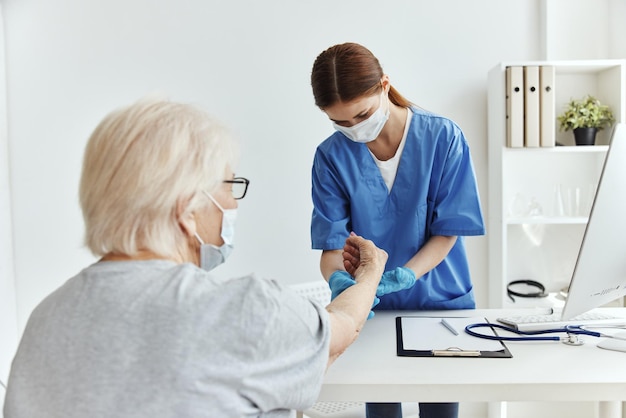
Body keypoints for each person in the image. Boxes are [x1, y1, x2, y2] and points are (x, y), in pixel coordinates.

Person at [3, 98, 390, 418]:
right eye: (228, 184)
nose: (232, 201)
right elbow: (338, 330)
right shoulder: (243, 311)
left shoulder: (47, 317)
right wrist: (370, 272)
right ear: (187, 210)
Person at [309, 43, 486, 418]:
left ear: (384, 86)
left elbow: (448, 231)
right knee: (382, 409)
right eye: (340, 122)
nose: (354, 129)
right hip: (374, 309)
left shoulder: (443, 138)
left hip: (440, 302)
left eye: (362, 114)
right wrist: (343, 283)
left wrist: (407, 275)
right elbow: (330, 247)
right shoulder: (331, 157)